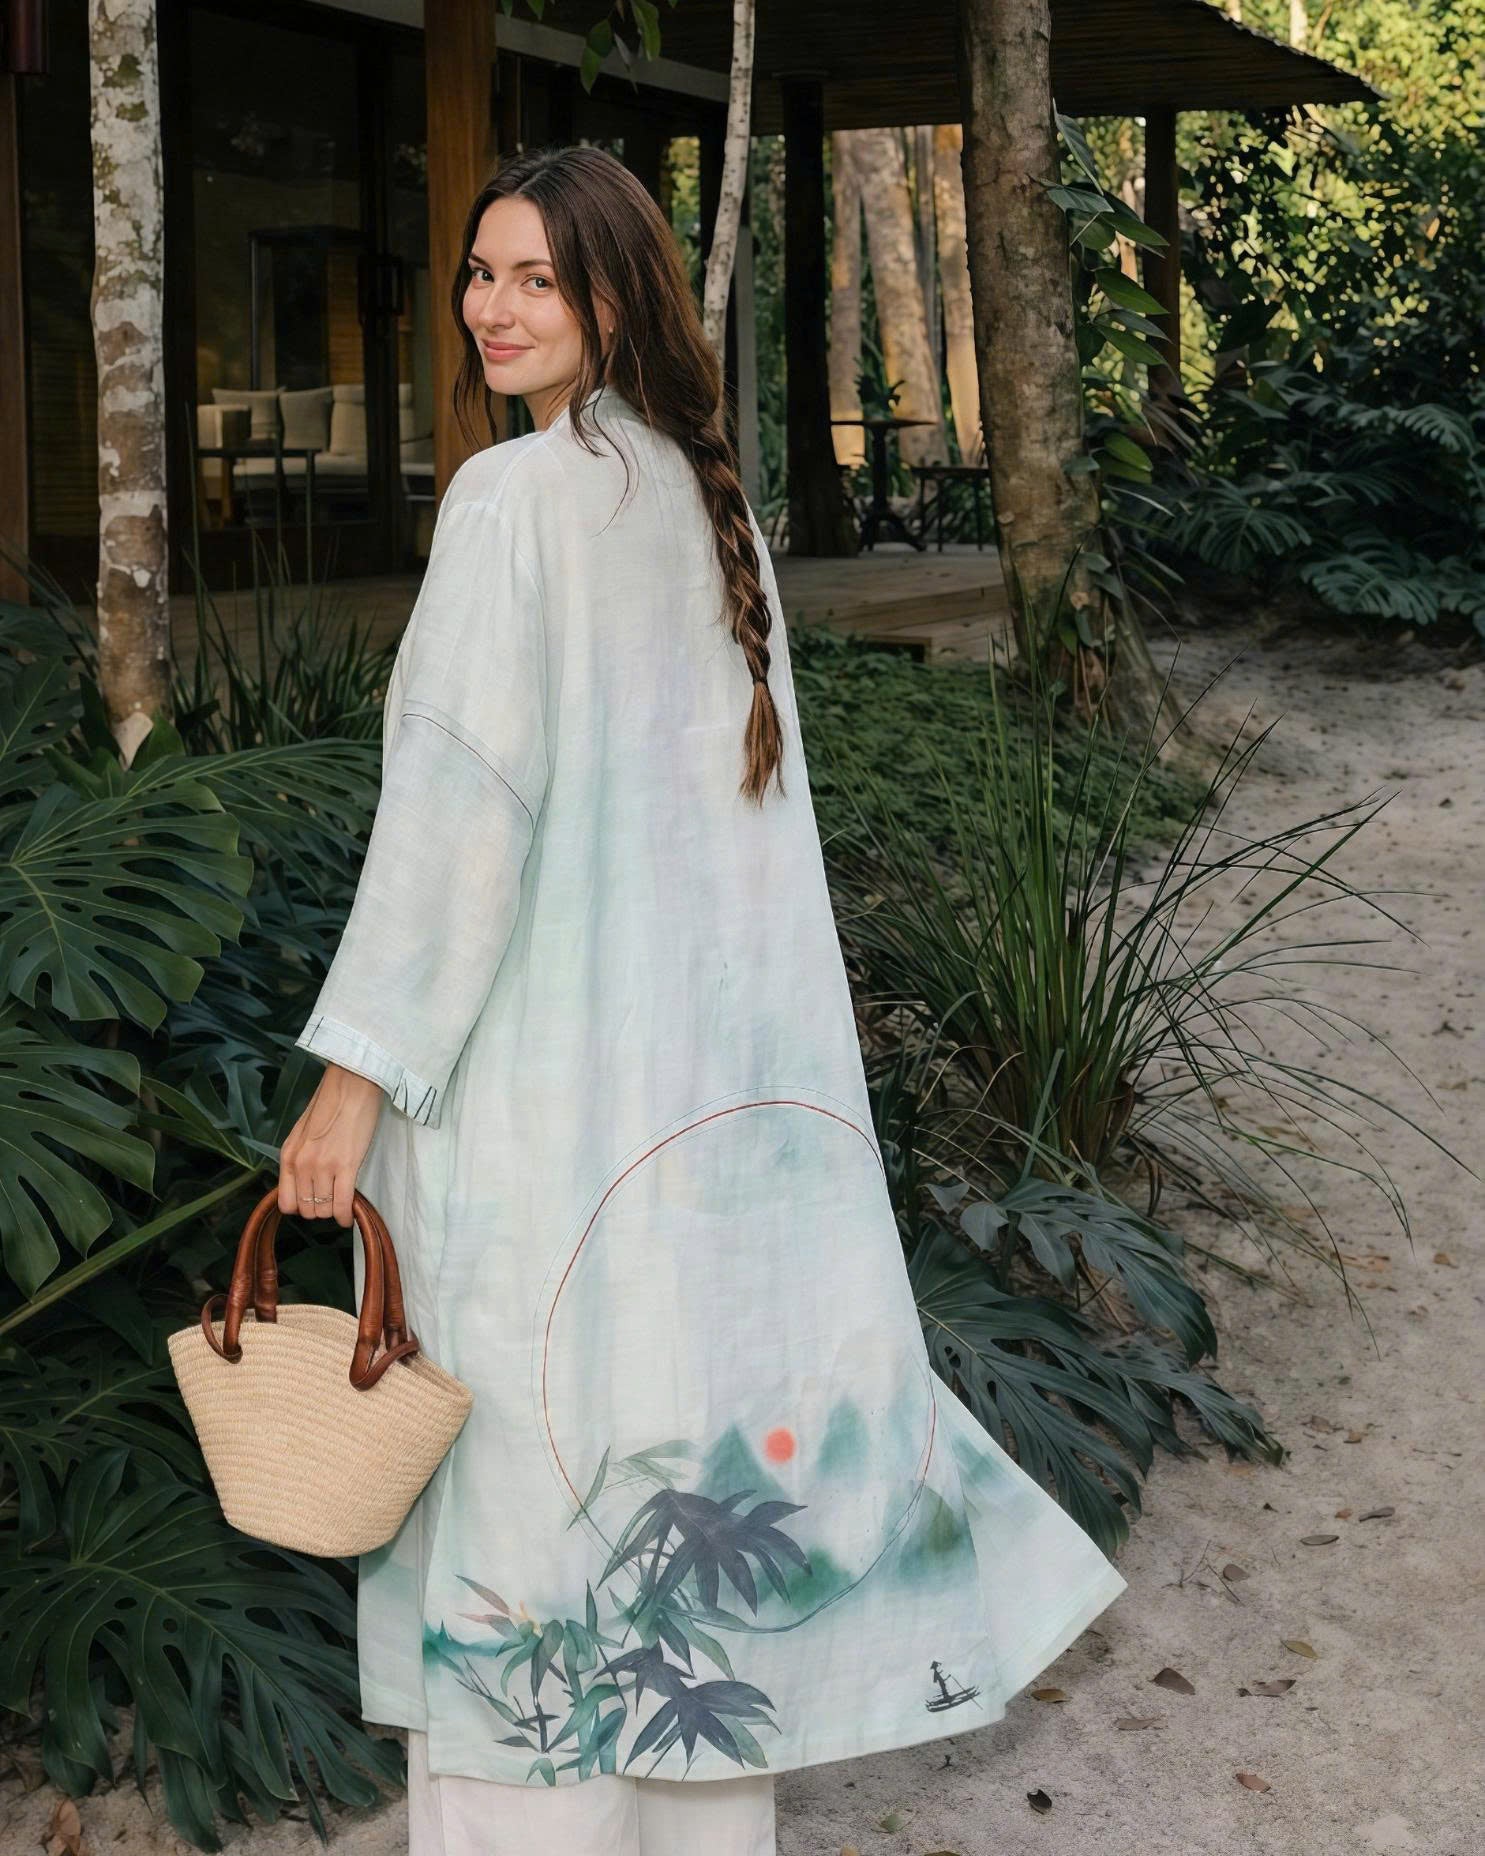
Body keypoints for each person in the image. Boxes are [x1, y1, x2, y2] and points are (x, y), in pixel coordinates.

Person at [278, 145, 1127, 1856]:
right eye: (479, 271)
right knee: (682, 1572)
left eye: (535, 277)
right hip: (689, 1154)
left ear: (613, 299)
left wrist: (348, 1084)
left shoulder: (513, 503)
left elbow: (458, 827)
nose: (494, 307)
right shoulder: (702, 502)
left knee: (529, 1520)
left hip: (531, 1125)